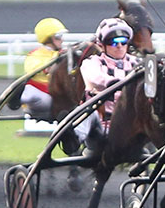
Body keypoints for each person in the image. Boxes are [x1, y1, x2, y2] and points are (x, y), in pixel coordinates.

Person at [72, 17, 139, 154]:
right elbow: (96, 77)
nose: (119, 46)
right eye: (113, 42)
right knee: (89, 112)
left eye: (123, 41)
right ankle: (73, 139)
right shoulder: (92, 62)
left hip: (130, 126)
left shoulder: (137, 62)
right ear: (102, 45)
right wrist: (114, 82)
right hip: (102, 128)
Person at [13, 17, 66, 119]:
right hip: (39, 92)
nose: (62, 40)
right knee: (33, 93)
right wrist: (52, 64)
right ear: (48, 39)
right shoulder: (35, 54)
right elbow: (31, 70)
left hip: (57, 94)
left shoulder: (63, 54)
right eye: (58, 37)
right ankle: (19, 98)